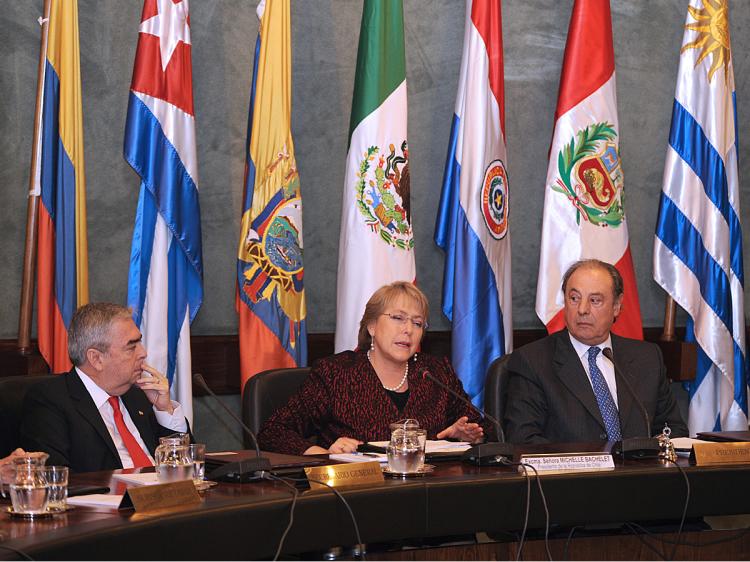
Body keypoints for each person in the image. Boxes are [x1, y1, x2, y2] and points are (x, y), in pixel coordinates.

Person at [259, 282, 490, 455]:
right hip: (357, 499)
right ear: (371, 326)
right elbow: (273, 432)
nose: (408, 329)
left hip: (429, 496)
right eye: (398, 318)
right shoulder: (337, 373)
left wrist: (467, 435)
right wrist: (324, 453)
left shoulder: (436, 372)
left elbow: (485, 428)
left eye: (417, 323)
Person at [504, 259, 687, 444]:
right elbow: (523, 440)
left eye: (595, 300)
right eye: (574, 298)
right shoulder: (532, 361)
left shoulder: (647, 358)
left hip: (637, 471)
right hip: (573, 473)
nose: (582, 310)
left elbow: (673, 430)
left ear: (616, 306)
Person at [20, 303, 189, 472]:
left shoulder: (138, 396)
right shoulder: (50, 400)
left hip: (162, 494)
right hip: (112, 496)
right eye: (131, 347)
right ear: (96, 359)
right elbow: (55, 477)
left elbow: (187, 465)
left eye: (140, 343)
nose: (143, 353)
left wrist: (164, 409)